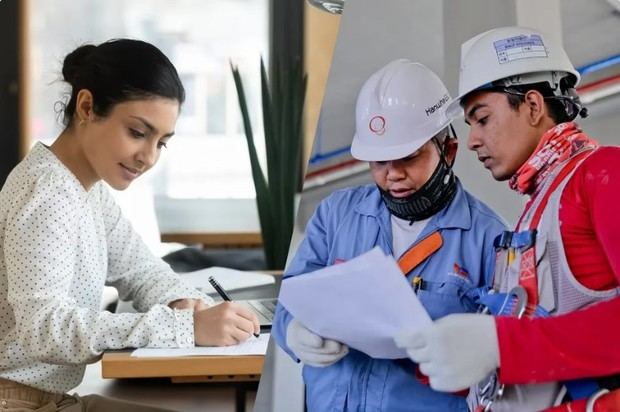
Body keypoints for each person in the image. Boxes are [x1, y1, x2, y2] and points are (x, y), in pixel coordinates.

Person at [0, 39, 260, 411]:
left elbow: (141, 270)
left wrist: (184, 303)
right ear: (87, 107)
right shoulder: (47, 193)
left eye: (162, 143)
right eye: (138, 133)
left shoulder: (88, 191)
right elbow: (45, 329)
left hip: (52, 400)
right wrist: (185, 328)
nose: (149, 157)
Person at [395, 26, 620, 412]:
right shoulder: (536, 212)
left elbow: (522, 346)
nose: (472, 141)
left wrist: (500, 345)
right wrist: (448, 355)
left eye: (481, 119)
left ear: (533, 106)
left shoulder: (604, 174)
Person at [271, 59, 507, 412]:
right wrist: (293, 331)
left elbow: (504, 354)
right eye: (379, 162)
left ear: (449, 151)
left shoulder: (489, 239)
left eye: (408, 158)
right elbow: (291, 297)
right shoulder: (336, 216)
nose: (392, 174)